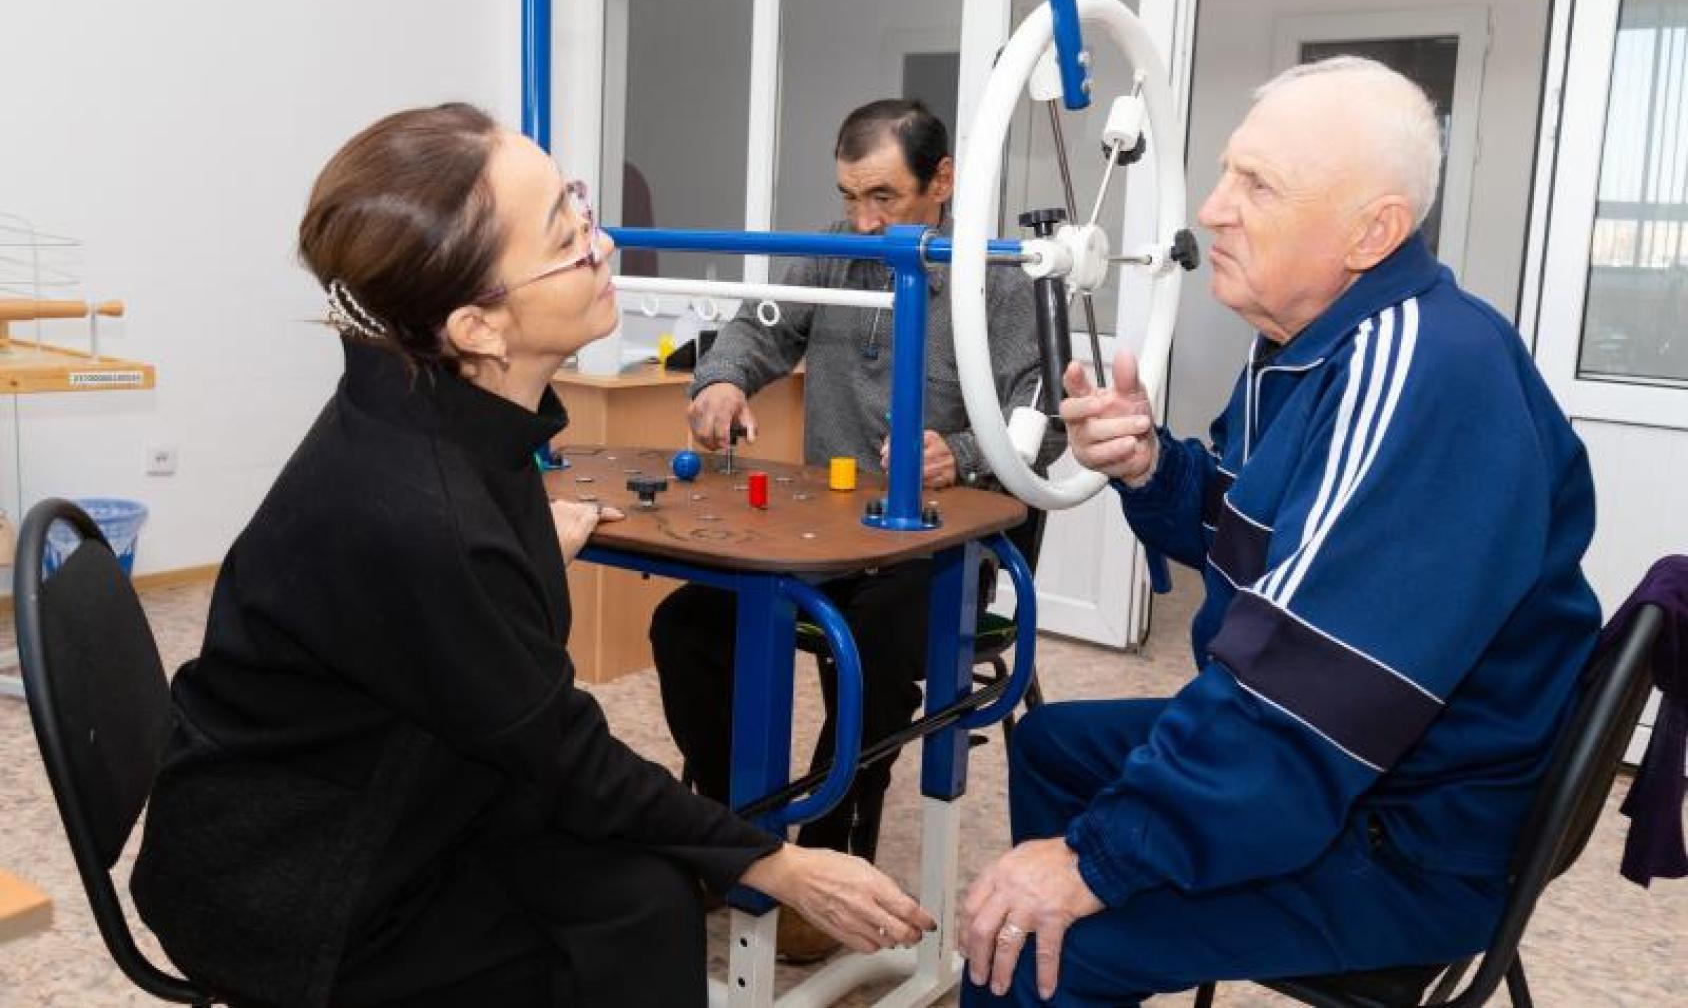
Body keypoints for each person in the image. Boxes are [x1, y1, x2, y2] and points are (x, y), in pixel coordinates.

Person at [129, 103, 934, 1008]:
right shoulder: (424, 511)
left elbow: (463, 657)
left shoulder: (426, 404)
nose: (601, 243)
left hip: (384, 793)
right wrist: (779, 862)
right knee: (631, 917)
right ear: (477, 327)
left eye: (578, 205)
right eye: (567, 234)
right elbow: (566, 756)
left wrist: (522, 545)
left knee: (640, 900)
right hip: (299, 883)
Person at [956, 57, 1603, 1006]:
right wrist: (1148, 466)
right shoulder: (1311, 347)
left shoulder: (1423, 376)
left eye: (1257, 185)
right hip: (1383, 769)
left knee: (1025, 949)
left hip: (1407, 834)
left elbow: (1304, 697)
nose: (1212, 209)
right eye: (1226, 173)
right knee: (1053, 745)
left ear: (1371, 231)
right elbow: (1257, 532)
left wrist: (1092, 863)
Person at [650, 98, 1062, 962]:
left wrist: (955, 451)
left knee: (869, 652)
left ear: (942, 182)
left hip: (944, 543)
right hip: (831, 533)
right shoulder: (834, 248)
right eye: (850, 198)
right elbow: (755, 333)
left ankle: (835, 854)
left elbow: (1045, 412)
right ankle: (744, 839)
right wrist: (720, 383)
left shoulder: (1005, 278)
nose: (866, 221)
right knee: (685, 624)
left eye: (885, 197)